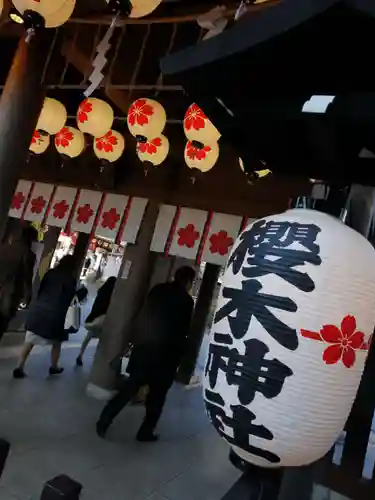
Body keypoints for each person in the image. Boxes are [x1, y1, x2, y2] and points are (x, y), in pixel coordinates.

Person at [96, 266, 195, 442]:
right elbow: (183, 330)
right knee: (157, 397)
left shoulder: (157, 290)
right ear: (188, 282)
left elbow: (144, 314)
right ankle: (145, 431)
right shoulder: (186, 302)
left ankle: (105, 419)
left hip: (144, 348)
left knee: (129, 388)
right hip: (166, 355)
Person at [13, 255, 78, 379]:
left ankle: (19, 366)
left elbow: (41, 290)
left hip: (39, 310)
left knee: (29, 340)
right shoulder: (70, 280)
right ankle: (54, 367)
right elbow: (69, 299)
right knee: (57, 342)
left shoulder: (50, 273)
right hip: (56, 315)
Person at [0, 224, 37, 342]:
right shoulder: (28, 254)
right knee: (2, 323)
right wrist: (27, 296)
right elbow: (27, 277)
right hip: (10, 294)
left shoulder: (3, 248)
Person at [76, 276, 117, 367]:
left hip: (93, 318)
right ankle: (97, 359)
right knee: (102, 339)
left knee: (88, 337)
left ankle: (80, 354)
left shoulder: (101, 292)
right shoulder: (111, 296)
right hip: (102, 320)